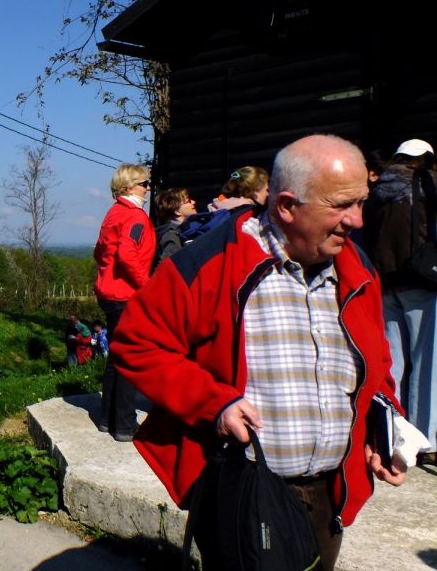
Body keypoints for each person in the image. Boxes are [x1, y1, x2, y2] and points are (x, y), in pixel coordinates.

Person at [111, 135, 406, 570]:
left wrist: (385, 427)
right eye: (342, 205)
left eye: (361, 202)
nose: (357, 220)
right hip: (245, 490)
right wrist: (216, 403)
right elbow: (136, 342)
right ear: (287, 206)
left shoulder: (355, 267)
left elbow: (376, 363)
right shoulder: (211, 263)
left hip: (330, 492)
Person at [362, 138, 437, 464]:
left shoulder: (377, 190)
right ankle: (426, 440)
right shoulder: (426, 183)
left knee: (392, 363)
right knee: (426, 364)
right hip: (421, 280)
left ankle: (392, 433)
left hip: (384, 283)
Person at [94, 163, 155, 440]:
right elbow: (128, 256)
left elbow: (99, 251)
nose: (148, 188)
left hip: (108, 292)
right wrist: (147, 287)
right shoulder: (136, 217)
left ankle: (107, 419)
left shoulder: (112, 213)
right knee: (129, 359)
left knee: (115, 359)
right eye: (145, 183)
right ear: (130, 187)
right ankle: (125, 425)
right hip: (126, 296)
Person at [153, 186, 197, 267]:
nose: (194, 202)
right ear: (177, 211)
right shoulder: (172, 235)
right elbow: (166, 269)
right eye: (188, 201)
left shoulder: (184, 230)